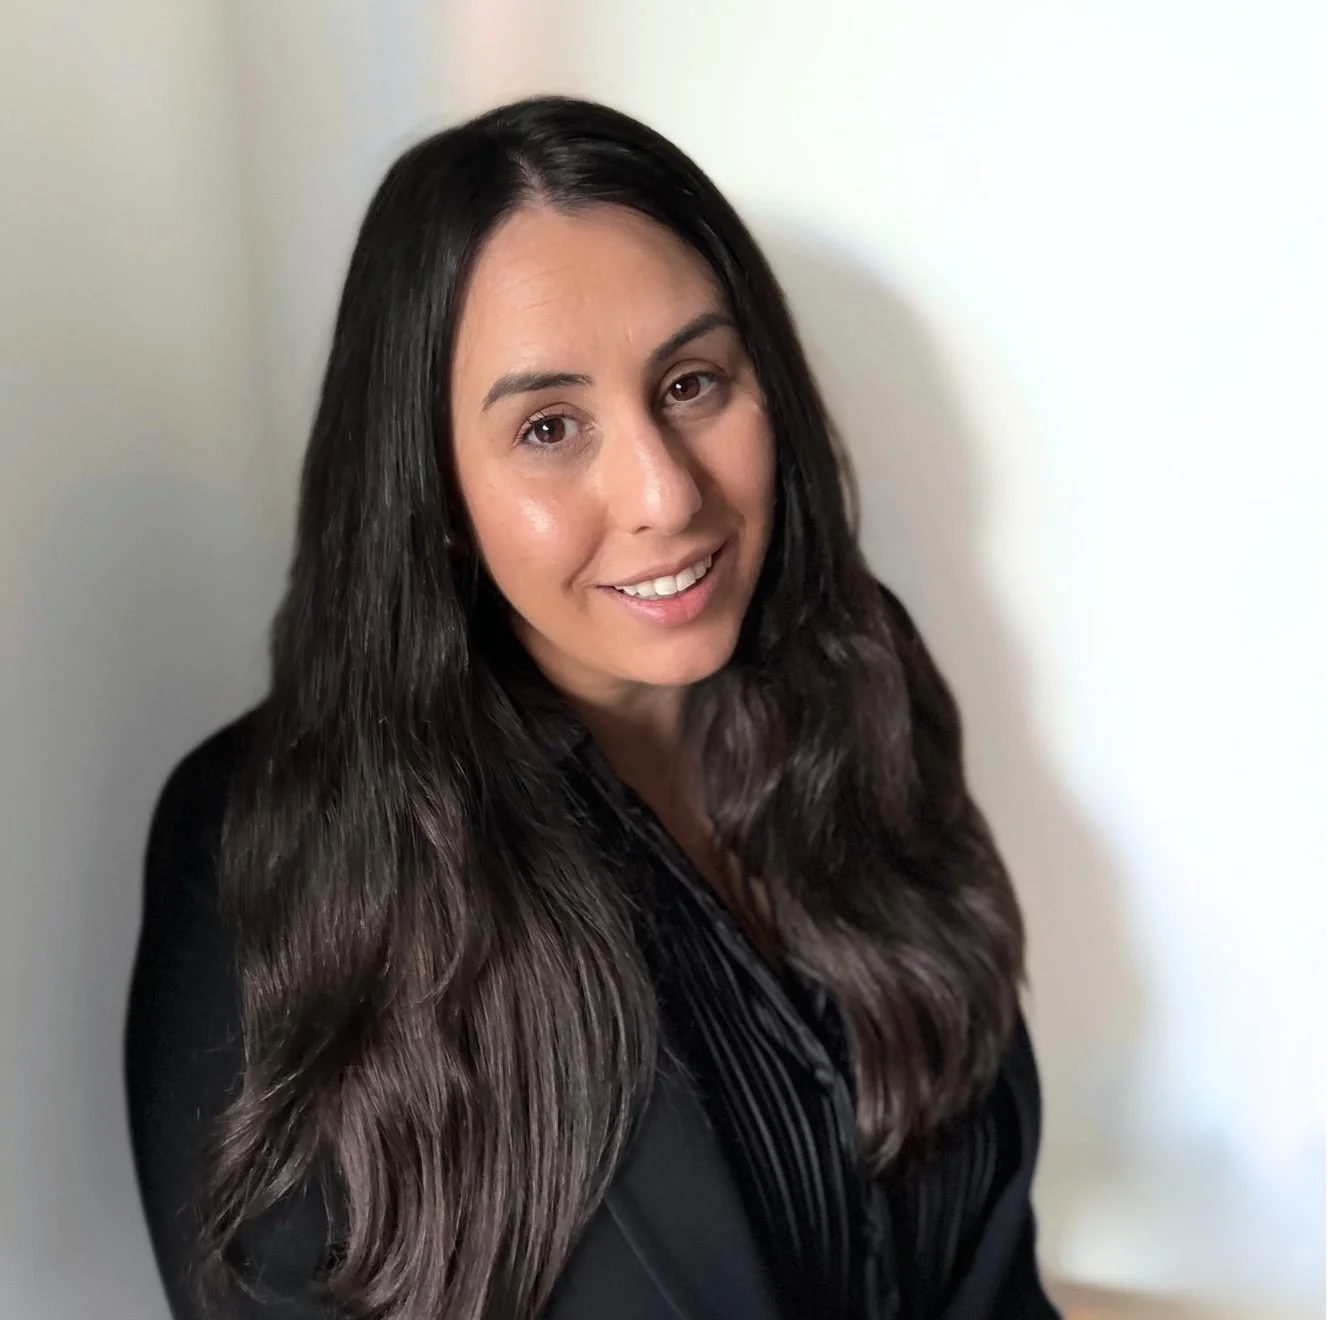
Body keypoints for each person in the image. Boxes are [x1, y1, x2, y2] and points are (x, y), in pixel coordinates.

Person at [124, 95, 1061, 1320]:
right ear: (431, 489)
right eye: (549, 427)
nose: (664, 494)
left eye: (691, 382)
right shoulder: (266, 844)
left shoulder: (858, 687)